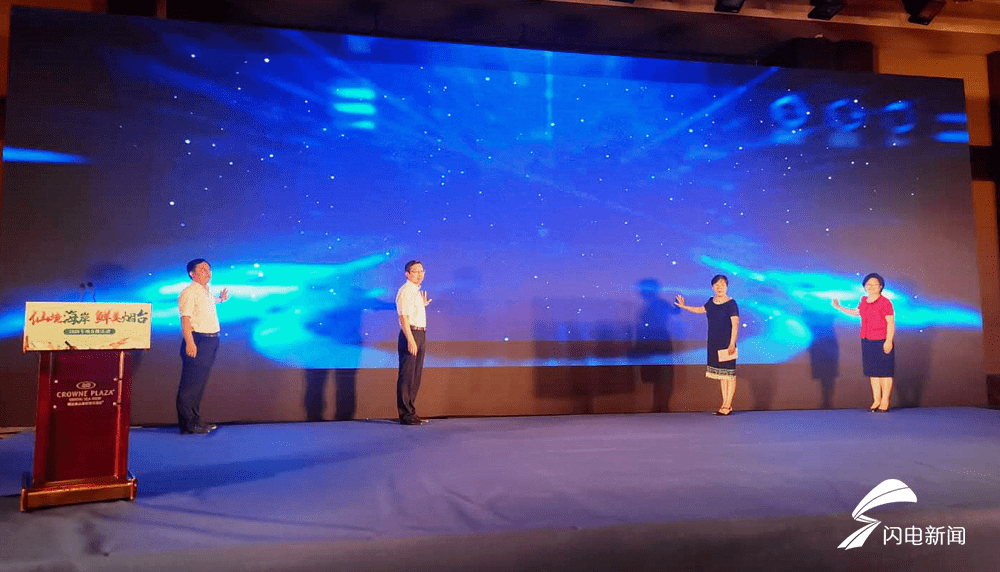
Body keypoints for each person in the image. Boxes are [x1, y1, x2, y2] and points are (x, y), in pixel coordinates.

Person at [675, 275, 740, 415]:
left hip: (727, 344)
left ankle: (727, 405)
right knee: (722, 375)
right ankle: (725, 404)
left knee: (729, 375)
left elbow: (735, 325)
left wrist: (732, 343)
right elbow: (700, 309)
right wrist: (684, 306)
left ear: (727, 287)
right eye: (716, 285)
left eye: (722, 285)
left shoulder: (731, 304)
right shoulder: (711, 302)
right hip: (714, 344)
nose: (719, 287)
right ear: (712, 287)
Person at [177, 258, 228, 434]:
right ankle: (188, 424)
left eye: (209, 269)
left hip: (210, 341)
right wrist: (190, 342)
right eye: (203, 269)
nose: (208, 272)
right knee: (190, 385)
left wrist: (221, 299)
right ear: (192, 274)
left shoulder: (206, 292)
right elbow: (185, 320)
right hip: (198, 340)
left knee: (199, 384)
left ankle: (195, 420)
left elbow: (209, 303)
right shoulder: (189, 292)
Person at [832, 273, 895, 412]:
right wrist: (839, 307)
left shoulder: (885, 303)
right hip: (867, 339)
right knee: (873, 372)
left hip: (882, 340)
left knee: (885, 372)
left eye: (874, 284)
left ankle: (885, 401)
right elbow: (856, 313)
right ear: (864, 286)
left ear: (881, 286)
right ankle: (876, 400)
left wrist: (888, 341)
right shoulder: (864, 300)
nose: (871, 287)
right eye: (868, 284)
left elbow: (890, 323)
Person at [396, 260, 431, 425]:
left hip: (420, 333)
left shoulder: (415, 291)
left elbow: (412, 312)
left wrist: (421, 305)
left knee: (415, 376)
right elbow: (403, 318)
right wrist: (410, 340)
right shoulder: (406, 291)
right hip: (411, 333)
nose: (419, 274)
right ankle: (405, 415)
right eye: (415, 271)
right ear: (407, 274)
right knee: (407, 376)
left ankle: (411, 412)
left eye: (421, 270)